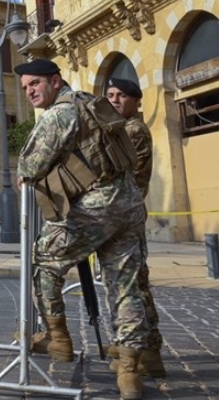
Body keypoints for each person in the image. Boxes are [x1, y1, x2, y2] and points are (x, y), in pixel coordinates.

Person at [15, 59, 149, 400]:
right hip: (130, 204)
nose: (29, 91)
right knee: (125, 284)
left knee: (43, 259)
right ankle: (131, 372)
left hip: (96, 207)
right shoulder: (91, 101)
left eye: (35, 84)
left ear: (55, 81)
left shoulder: (61, 113)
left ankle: (57, 336)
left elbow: (29, 166)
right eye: (25, 87)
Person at [106, 77, 165, 378]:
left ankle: (147, 352)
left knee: (134, 287)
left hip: (126, 217)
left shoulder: (133, 130)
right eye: (111, 94)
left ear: (136, 101)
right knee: (130, 285)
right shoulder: (119, 130)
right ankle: (140, 347)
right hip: (119, 216)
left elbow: (115, 173)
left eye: (121, 95)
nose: (115, 99)